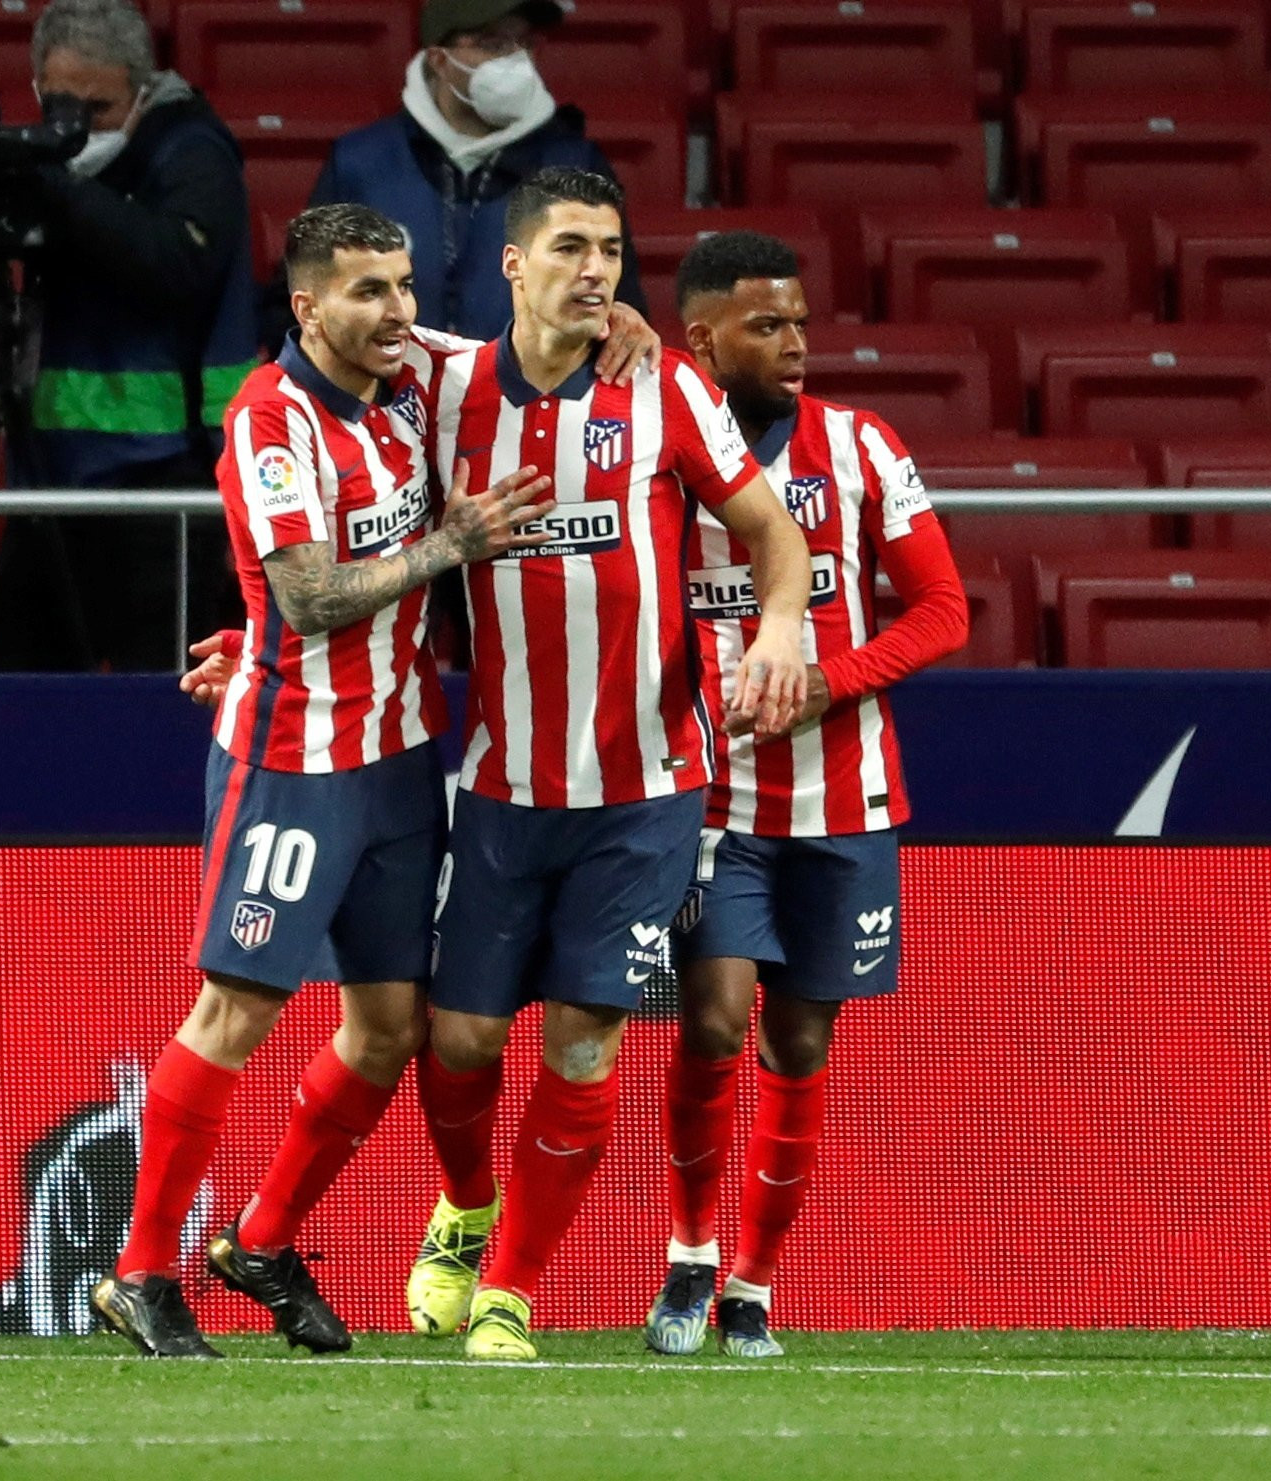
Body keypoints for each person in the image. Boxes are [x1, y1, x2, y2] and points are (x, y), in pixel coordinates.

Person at [90, 202, 570, 1360]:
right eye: (366, 291)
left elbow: (543, 338)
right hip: (295, 759)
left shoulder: (412, 372)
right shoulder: (269, 416)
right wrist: (446, 547)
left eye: (403, 285)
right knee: (238, 1008)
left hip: (402, 757)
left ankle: (259, 1240)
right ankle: (141, 1271)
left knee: (389, 1024)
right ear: (307, 306)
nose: (397, 311)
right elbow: (304, 595)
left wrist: (636, 331)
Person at [395, 172, 812, 1361]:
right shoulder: (441, 380)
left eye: (613, 252)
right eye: (569, 248)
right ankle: (464, 1209)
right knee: (461, 1041)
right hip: (498, 787)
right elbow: (319, 320)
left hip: (643, 793)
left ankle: (510, 1293)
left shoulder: (664, 384)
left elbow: (772, 539)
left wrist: (778, 626)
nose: (596, 270)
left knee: (583, 1039)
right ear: (511, 267)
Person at [645, 231, 969, 1360]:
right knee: (710, 1019)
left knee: (795, 1041)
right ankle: (687, 1258)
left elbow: (941, 610)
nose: (793, 344)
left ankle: (753, 1284)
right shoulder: (660, 459)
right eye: (765, 326)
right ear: (701, 340)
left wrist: (827, 681)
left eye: (797, 322)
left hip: (846, 801)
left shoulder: (859, 445)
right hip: (713, 804)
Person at [0, 0, 260, 673]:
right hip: (48, 479)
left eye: (97, 109)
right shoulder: (48, 167)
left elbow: (175, 265)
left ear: (141, 91)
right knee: (23, 705)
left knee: (157, 705)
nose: (74, 130)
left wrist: (56, 188)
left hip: (162, 485)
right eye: (57, 107)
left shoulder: (193, 152)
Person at [301, 0, 648, 342]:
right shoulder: (361, 162)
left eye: (524, 43)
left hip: (532, 392)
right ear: (439, 58)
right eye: (491, 44)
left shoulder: (576, 163)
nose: (515, 60)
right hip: (389, 390)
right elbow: (305, 298)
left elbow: (619, 304)